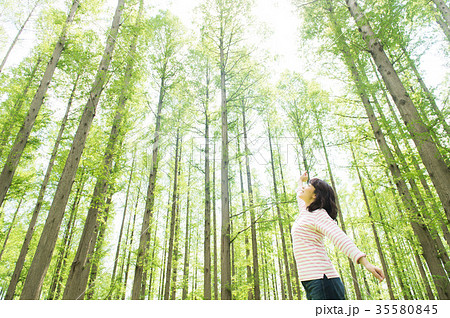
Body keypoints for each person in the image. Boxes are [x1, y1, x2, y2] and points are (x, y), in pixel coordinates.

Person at [291, 171, 385, 300]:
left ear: (314, 195)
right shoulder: (305, 212)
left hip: (323, 280)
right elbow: (299, 196)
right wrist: (300, 181)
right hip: (310, 281)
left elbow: (340, 237)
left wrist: (366, 263)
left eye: (307, 186)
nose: (303, 188)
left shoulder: (319, 214)